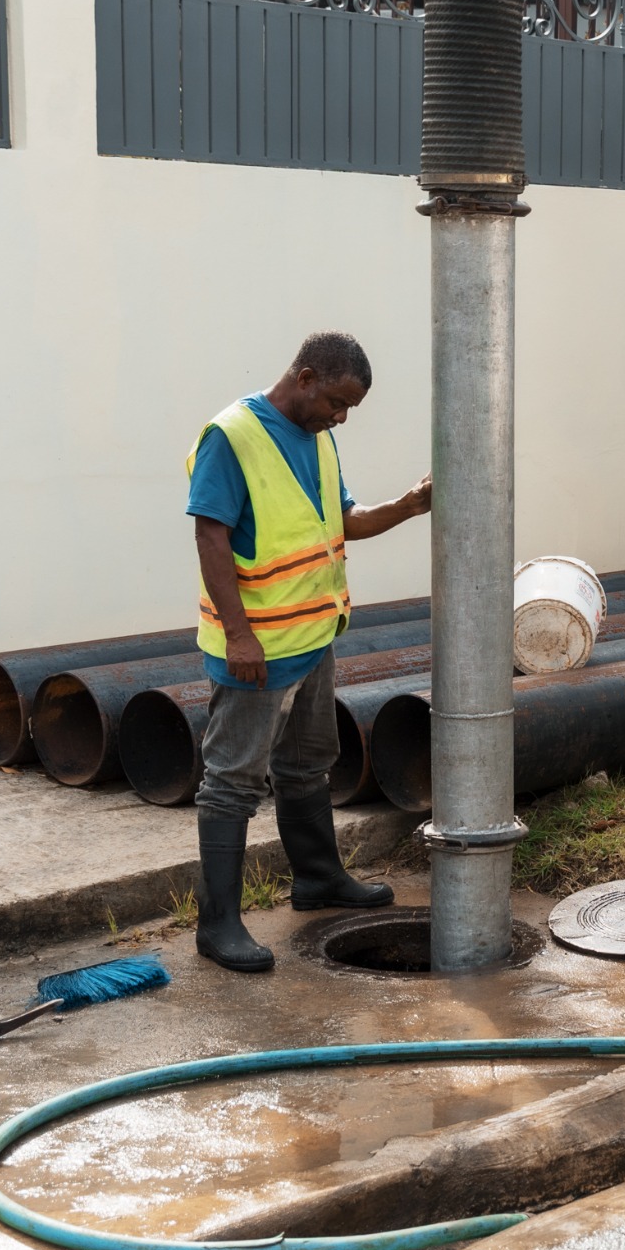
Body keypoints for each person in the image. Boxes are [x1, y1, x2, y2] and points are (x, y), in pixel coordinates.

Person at [187, 332, 434, 973]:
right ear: (302, 377)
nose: (341, 417)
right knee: (233, 781)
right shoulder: (232, 436)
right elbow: (211, 539)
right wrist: (240, 636)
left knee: (306, 763)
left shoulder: (318, 437)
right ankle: (217, 926)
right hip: (257, 649)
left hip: (311, 637)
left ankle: (319, 880)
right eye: (335, 401)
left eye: (349, 407)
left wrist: (410, 505)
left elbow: (342, 520)